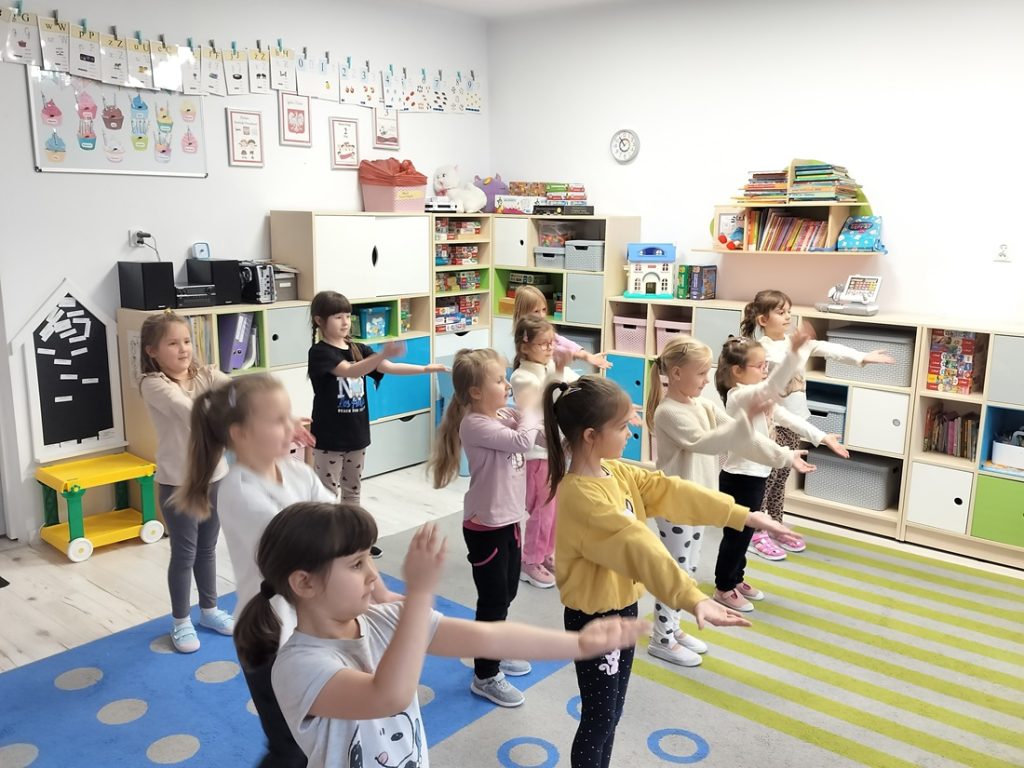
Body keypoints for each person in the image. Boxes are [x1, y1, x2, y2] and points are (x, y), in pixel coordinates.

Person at [232, 502, 650, 768]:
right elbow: (387, 696)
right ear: (304, 583)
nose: (373, 575)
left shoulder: (385, 620)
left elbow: (490, 639)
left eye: (369, 559)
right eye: (356, 564)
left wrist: (579, 644)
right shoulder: (298, 665)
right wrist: (419, 594)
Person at [543, 374, 796, 768]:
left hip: (622, 608)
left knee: (611, 714)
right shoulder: (583, 498)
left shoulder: (615, 473)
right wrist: (692, 597)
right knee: (599, 718)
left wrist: (741, 515)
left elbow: (671, 490)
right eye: (622, 426)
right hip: (596, 619)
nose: (630, 433)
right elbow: (639, 545)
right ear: (591, 436)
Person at [176, 373, 399, 768]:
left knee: (325, 737)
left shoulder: (296, 472)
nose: (293, 424)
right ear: (241, 435)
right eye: (278, 419)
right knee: (291, 748)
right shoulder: (239, 490)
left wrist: (379, 593)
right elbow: (312, 550)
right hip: (269, 637)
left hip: (312, 628)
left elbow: (344, 536)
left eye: (289, 415)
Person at [643, 334, 815, 666]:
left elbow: (742, 440)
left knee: (687, 571)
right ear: (676, 373)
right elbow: (706, 442)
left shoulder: (703, 405)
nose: (707, 380)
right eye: (700, 374)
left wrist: (784, 455)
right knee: (675, 574)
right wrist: (744, 422)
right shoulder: (669, 412)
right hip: (675, 505)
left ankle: (672, 628)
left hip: (697, 503)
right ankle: (661, 639)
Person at [428, 347, 542, 708]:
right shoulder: (475, 424)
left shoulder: (503, 414)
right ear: (475, 392)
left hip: (510, 520)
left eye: (506, 378)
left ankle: (495, 646)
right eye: (499, 380)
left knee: (507, 592)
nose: (507, 385)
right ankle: (485, 675)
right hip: (485, 527)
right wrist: (531, 408)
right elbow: (522, 440)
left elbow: (535, 437)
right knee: (492, 600)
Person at [741, 289, 894, 556]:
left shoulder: (796, 344)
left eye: (789, 311)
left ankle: (776, 525)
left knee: (781, 478)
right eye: (781, 312)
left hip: (795, 423)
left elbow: (829, 348)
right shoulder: (760, 350)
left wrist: (862, 357)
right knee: (767, 477)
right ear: (763, 319)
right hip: (771, 424)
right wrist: (797, 348)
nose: (788, 317)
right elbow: (779, 368)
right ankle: (756, 531)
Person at [713, 332, 849, 612]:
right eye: (759, 365)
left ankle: (736, 579)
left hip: (757, 475)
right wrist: (793, 356)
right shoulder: (740, 396)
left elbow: (789, 418)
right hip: (739, 478)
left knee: (746, 535)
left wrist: (822, 437)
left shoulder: (757, 396)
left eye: (766, 364)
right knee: (736, 537)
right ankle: (723, 588)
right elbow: (772, 387)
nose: (765, 369)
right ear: (737, 371)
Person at [308, 290, 444, 556]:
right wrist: (380, 355)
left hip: (356, 434)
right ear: (320, 321)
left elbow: (388, 367)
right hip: (329, 437)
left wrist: (425, 369)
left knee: (352, 490)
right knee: (326, 494)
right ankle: (326, 546)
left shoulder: (357, 348)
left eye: (347, 315)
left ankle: (354, 542)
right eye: (337, 317)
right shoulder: (320, 353)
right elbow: (350, 371)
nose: (345, 322)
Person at [138, 310, 234, 653]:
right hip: (178, 484)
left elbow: (238, 391)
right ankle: (180, 621)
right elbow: (189, 412)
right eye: (173, 343)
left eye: (187, 341)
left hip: (215, 477)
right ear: (152, 351)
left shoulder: (205, 375)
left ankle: (209, 610)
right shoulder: (153, 384)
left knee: (207, 549)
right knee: (184, 554)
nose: (183, 349)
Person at [509, 315, 578, 588]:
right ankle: (530, 561)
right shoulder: (522, 376)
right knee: (542, 510)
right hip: (537, 454)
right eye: (543, 344)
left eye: (552, 343)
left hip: (556, 450)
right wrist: (558, 370)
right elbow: (544, 401)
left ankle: (546, 553)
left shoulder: (549, 366)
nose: (550, 348)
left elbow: (573, 383)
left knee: (555, 509)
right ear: (524, 347)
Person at [512, 284, 611, 370]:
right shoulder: (526, 335)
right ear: (522, 313)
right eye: (536, 311)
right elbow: (557, 349)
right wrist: (584, 356)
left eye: (544, 310)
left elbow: (563, 342)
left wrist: (586, 355)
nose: (542, 315)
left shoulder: (543, 330)